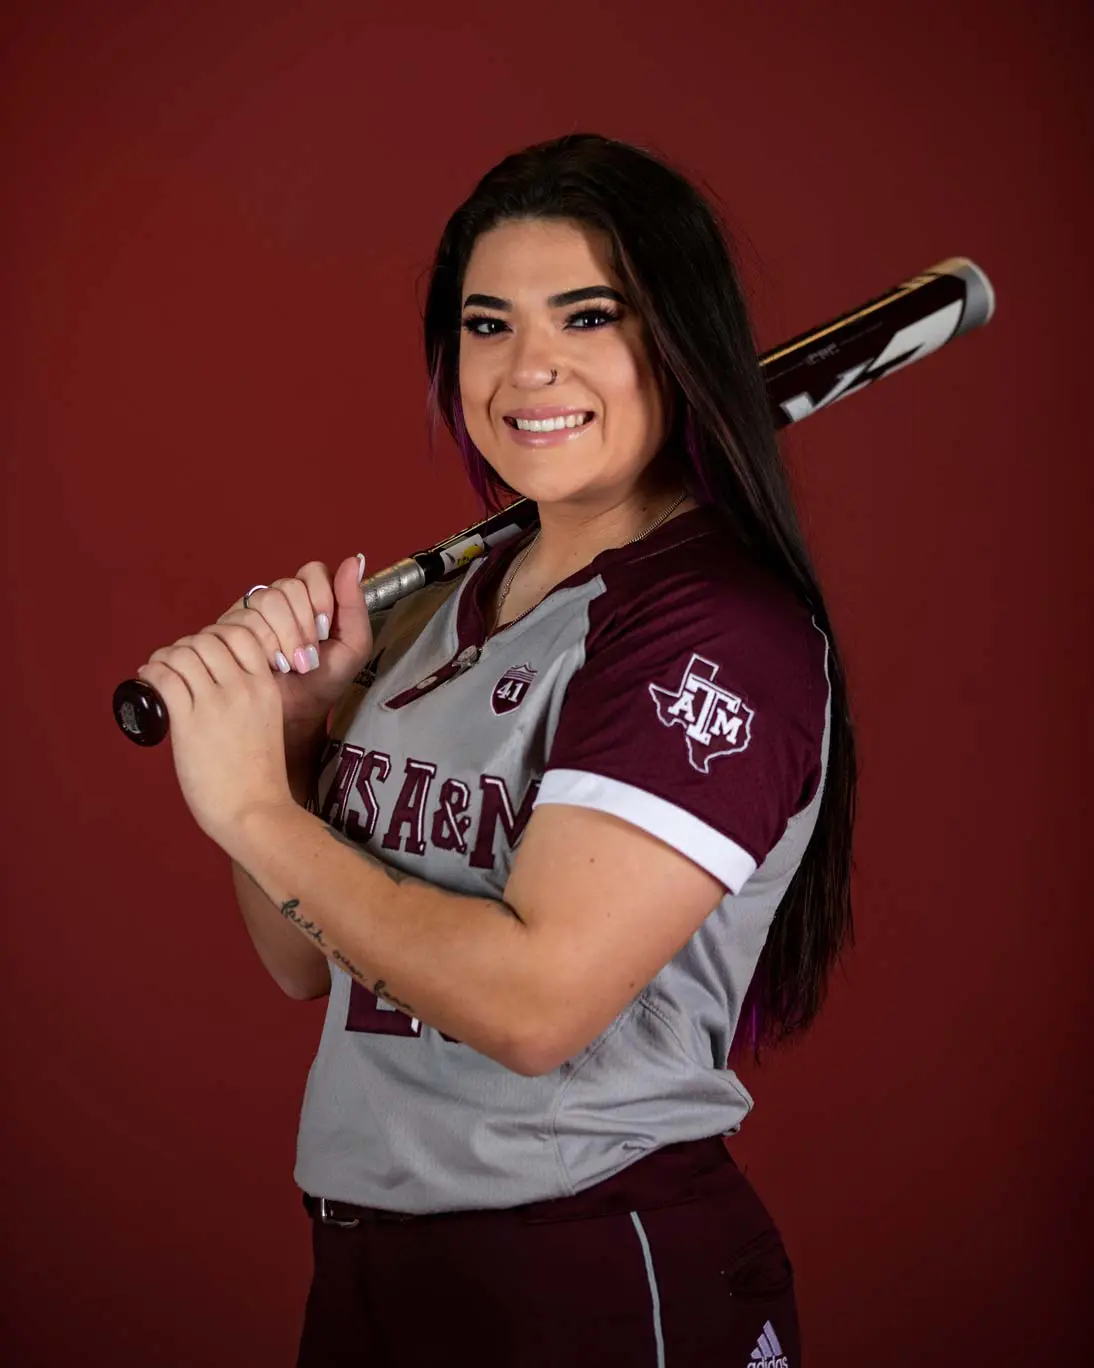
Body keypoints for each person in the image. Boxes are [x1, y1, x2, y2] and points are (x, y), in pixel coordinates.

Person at [138, 132, 856, 1367]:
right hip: (371, 1263)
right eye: (487, 325)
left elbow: (533, 1011)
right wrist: (301, 739)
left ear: (674, 337)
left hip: (584, 1263)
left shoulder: (710, 631)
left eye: (587, 316)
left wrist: (253, 807)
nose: (530, 368)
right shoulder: (451, 611)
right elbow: (305, 963)